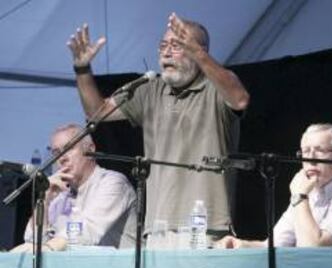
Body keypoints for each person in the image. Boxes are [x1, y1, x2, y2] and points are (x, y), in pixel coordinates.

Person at [66, 13, 250, 239]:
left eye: (177, 45)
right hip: (157, 227)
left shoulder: (215, 89)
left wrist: (199, 55)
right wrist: (82, 70)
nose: (166, 51)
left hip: (205, 226)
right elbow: (97, 113)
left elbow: (240, 99)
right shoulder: (150, 89)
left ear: (199, 51)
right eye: (163, 45)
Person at [218, 123, 332, 248]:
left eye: (319, 151)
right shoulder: (308, 193)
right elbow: (272, 246)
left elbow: (314, 250)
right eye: (305, 151)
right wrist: (240, 245)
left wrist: (300, 197)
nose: (310, 159)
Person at [23, 123, 137, 249]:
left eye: (69, 148)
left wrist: (47, 248)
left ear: (90, 149)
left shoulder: (113, 183)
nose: (62, 158)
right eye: (56, 153)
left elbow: (87, 233)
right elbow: (31, 240)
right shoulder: (59, 196)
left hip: (119, 267)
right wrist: (45, 200)